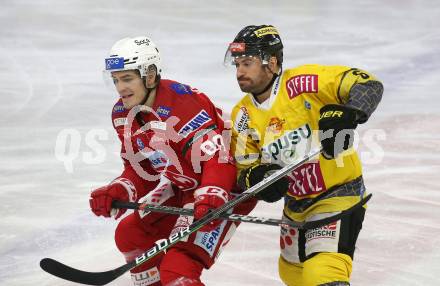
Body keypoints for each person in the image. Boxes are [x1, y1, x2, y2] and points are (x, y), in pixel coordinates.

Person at [89, 36, 255, 286]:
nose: (120, 88)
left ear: (150, 75)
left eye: (127, 78)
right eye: (115, 80)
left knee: (178, 267)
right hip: (186, 185)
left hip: (226, 188)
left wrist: (212, 196)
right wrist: (118, 189)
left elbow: (218, 159)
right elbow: (143, 169)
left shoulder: (181, 104)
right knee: (130, 234)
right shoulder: (122, 114)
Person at [225, 25, 384, 285]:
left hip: (337, 194)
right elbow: (245, 168)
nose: (239, 71)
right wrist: (258, 179)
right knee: (292, 274)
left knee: (323, 273)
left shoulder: (302, 83)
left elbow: (368, 83)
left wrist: (350, 112)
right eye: (237, 64)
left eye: (247, 63)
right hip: (295, 206)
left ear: (272, 63)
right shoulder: (242, 115)